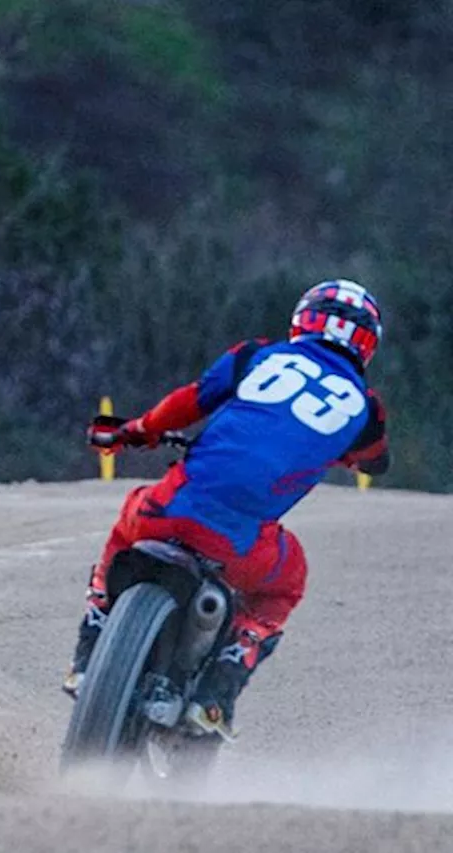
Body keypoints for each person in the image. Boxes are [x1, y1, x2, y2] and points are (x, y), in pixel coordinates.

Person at [65, 279, 389, 737]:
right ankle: (219, 688)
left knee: (130, 516)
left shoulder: (257, 355)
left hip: (169, 512)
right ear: (368, 344)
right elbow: (375, 462)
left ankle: (90, 643)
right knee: (288, 579)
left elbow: (190, 401)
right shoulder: (367, 410)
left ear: (302, 320)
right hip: (241, 545)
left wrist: (136, 430)